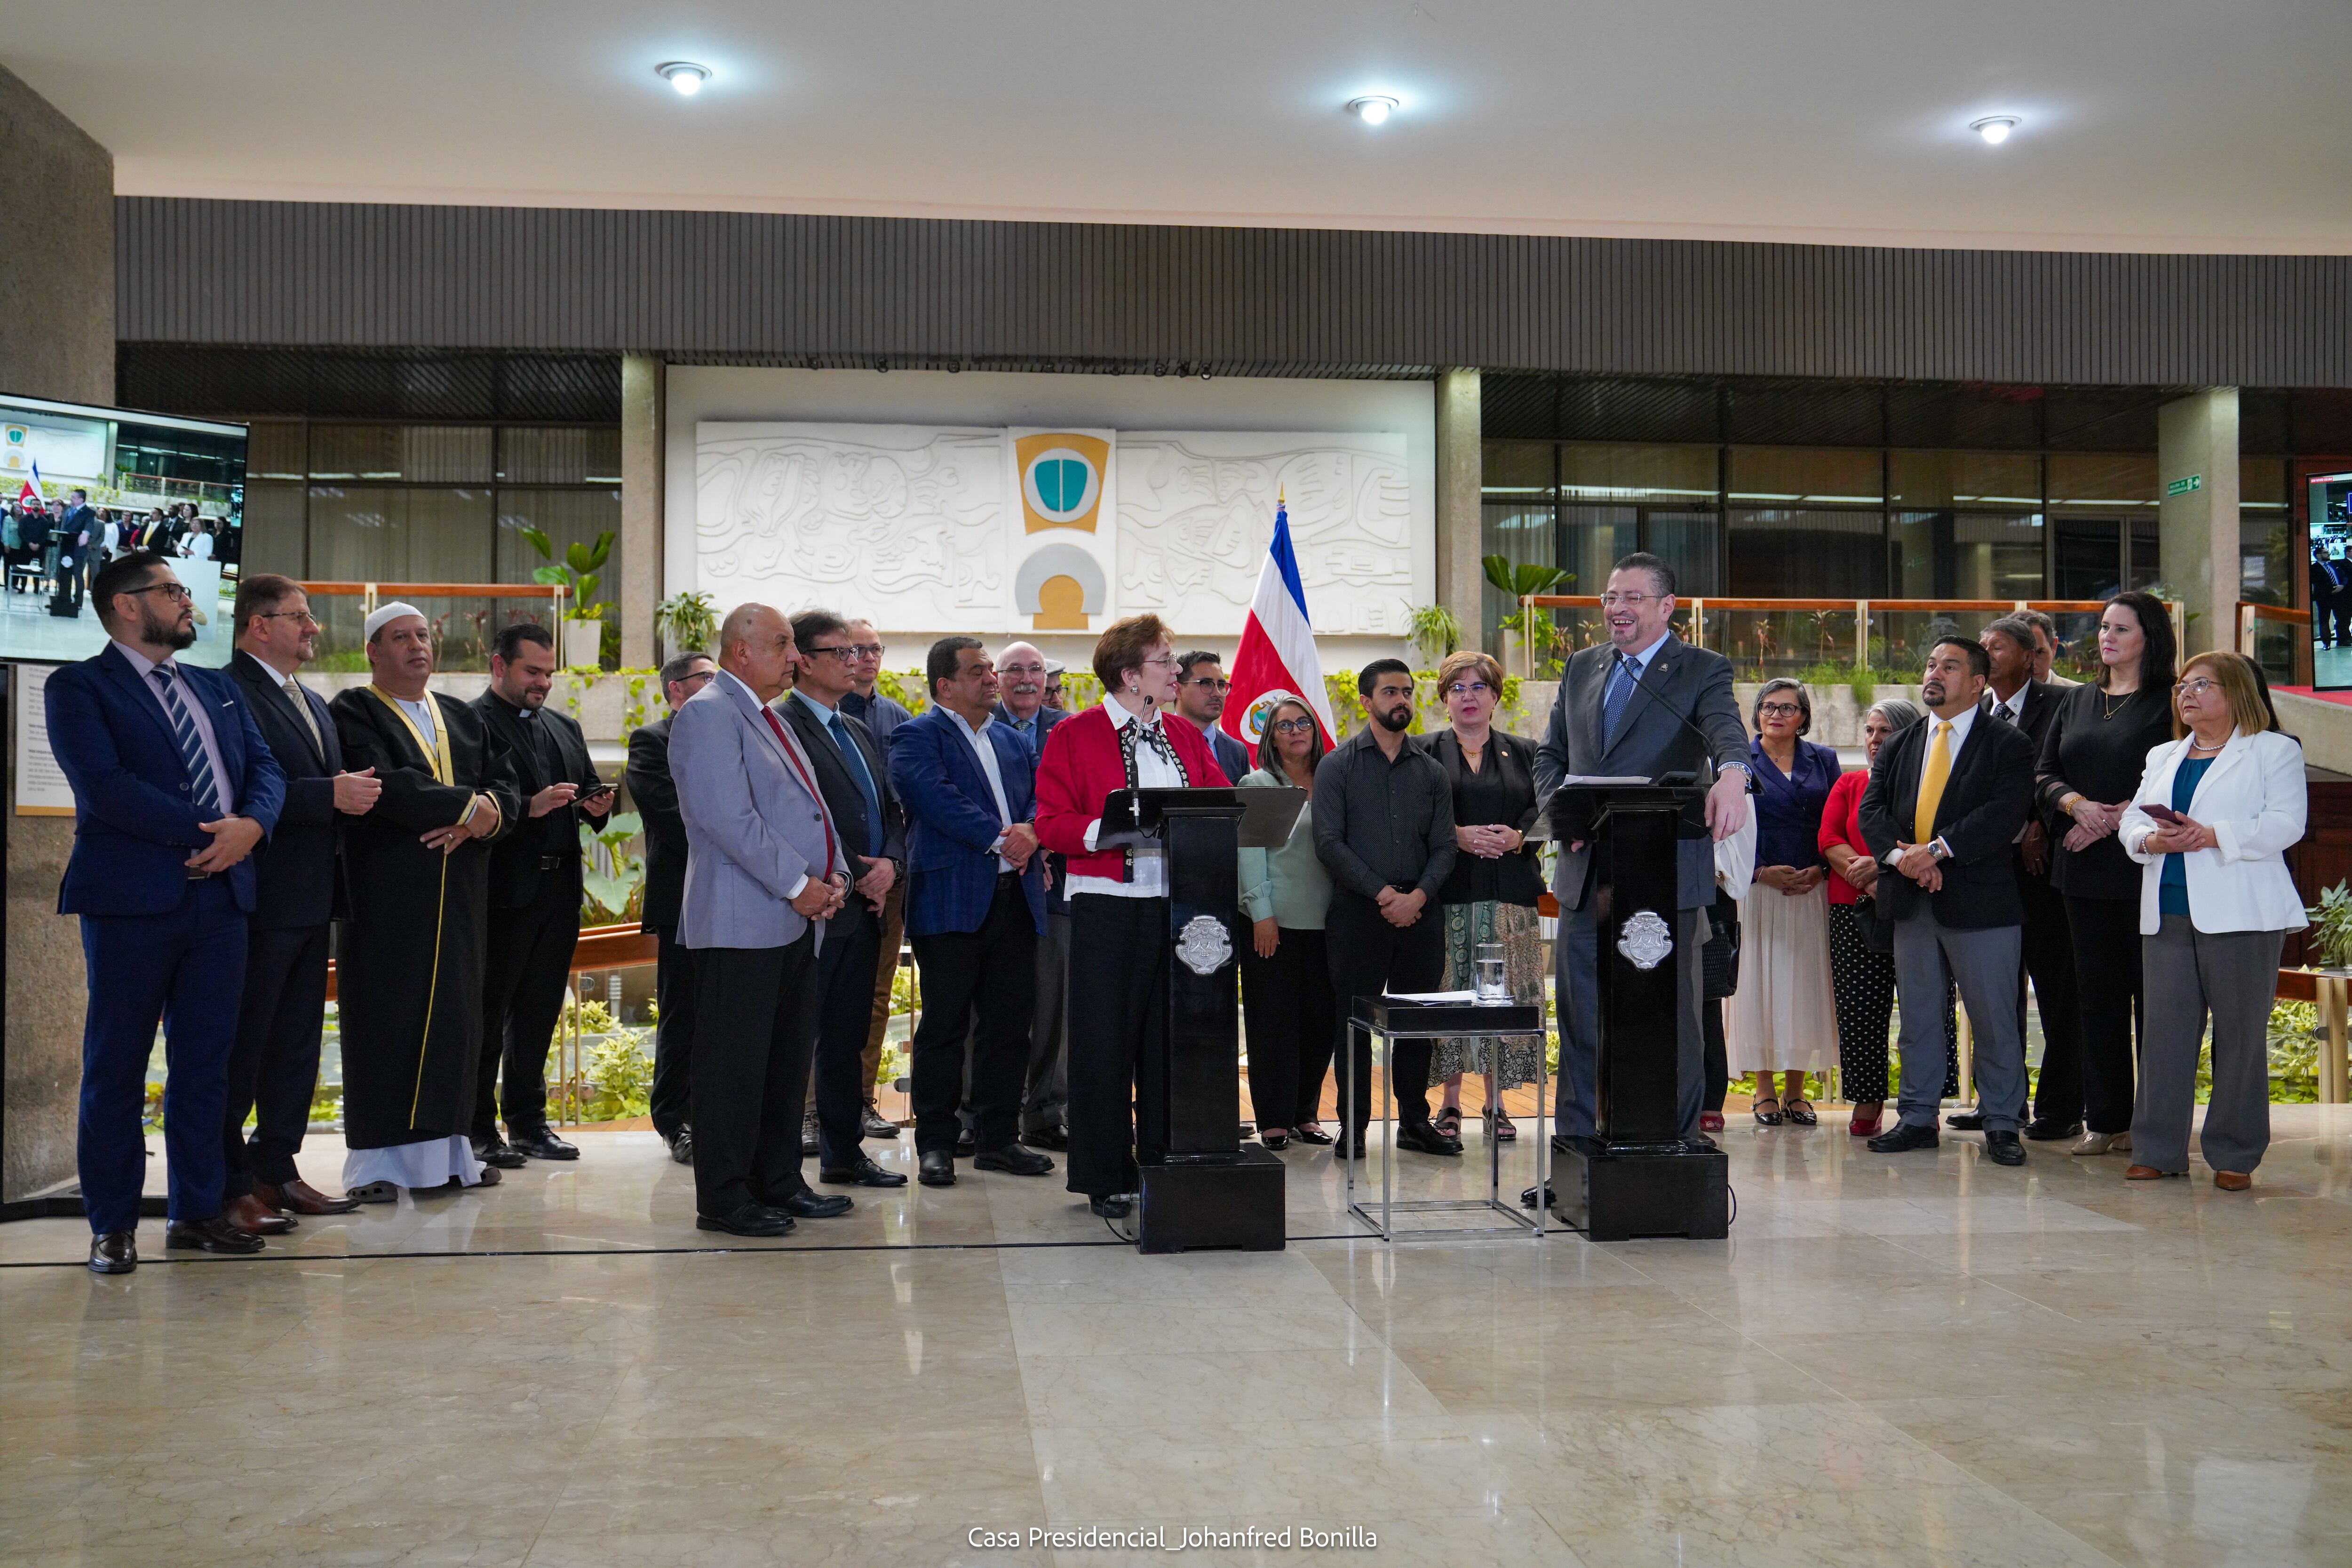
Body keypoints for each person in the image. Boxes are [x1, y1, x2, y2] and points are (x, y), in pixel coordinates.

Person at [48, 552, 286, 1273]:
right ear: (127, 605)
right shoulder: (79, 686)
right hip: (130, 903)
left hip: (222, 903)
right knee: (116, 1069)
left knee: (207, 1068)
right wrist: (212, 831)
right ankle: (113, 1224)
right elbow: (105, 787)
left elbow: (266, 770)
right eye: (175, 591)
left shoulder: (217, 688)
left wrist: (253, 828)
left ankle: (197, 1210)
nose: (189, 602)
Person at [1533, 552, 1752, 1144]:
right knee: (1580, 1021)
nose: (1616, 610)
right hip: (1587, 874)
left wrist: (1732, 773)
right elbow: (1551, 756)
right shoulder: (1581, 666)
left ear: (1665, 607)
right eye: (1610, 598)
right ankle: (1576, 1145)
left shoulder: (1700, 669)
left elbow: (1726, 731)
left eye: (1631, 598)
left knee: (1672, 1021)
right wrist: (1563, 811)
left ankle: (1674, 1143)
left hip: (1663, 877)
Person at [1035, 614, 1231, 1213]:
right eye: (1164, 661)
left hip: (1178, 911)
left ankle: (1165, 1163)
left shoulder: (1184, 736)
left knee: (1168, 1044)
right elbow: (1048, 822)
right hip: (1106, 909)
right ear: (1128, 675)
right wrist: (1109, 829)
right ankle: (1104, 1174)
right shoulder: (1075, 734)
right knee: (1103, 1044)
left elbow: (1222, 799)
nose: (1176, 671)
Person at [670, 604, 855, 1235]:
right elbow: (727, 817)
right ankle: (723, 1198)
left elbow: (806, 813)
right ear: (742, 651)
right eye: (784, 645)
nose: (796, 657)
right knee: (733, 1067)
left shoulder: (764, 716)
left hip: (792, 917)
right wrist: (799, 883)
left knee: (781, 1065)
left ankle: (776, 1181)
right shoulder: (708, 714)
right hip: (739, 919)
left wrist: (833, 879)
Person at [329, 604, 521, 1202]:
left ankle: (450, 1157)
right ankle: (378, 1167)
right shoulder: (352, 710)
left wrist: (479, 820)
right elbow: (389, 785)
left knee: (457, 1025)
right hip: (388, 901)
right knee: (389, 1022)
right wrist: (470, 809)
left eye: (422, 636)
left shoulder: (464, 717)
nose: (416, 646)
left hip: (460, 899)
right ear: (373, 652)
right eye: (399, 638)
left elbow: (506, 786)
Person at [223, 575, 377, 1228]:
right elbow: (239, 788)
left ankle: (277, 1168)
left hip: (314, 901)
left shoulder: (313, 702)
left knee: (296, 1048)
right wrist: (327, 796)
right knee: (245, 1047)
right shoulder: (226, 691)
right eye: (299, 617)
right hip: (259, 901)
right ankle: (229, 1183)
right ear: (259, 625)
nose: (313, 628)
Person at [2121, 653, 2307, 1191]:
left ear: (2236, 691)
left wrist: (2210, 834)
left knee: (2239, 1037)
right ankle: (2157, 1149)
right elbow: (2133, 817)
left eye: (2202, 685)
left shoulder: (2273, 750)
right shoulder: (2162, 754)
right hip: (2168, 912)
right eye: (2183, 685)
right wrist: (2149, 839)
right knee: (2163, 1036)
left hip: (2243, 914)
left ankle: (2234, 1154)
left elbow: (2285, 824)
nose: (2187, 694)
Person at [1859, 638, 2038, 1165]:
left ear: (1978, 682)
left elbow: (2002, 815)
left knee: (1993, 1019)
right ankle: (1916, 1117)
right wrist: (1902, 858)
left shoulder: (2007, 743)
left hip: (1981, 904)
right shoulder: (1902, 742)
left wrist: (1933, 852)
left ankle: (2002, 1121)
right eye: (1930, 663)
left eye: (1949, 666)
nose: (1933, 673)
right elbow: (1872, 811)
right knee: (1916, 1017)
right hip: (1913, 902)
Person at [888, 638, 1059, 1189]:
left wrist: (1031, 830)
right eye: (979, 671)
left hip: (1016, 900)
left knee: (1009, 1027)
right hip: (952, 902)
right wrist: (1000, 839)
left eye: (991, 670)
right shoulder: (916, 735)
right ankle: (937, 1143)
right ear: (945, 685)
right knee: (943, 1028)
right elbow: (933, 798)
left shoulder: (1011, 741)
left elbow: (1040, 795)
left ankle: (998, 1140)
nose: (992, 679)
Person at [2034, 590, 2178, 1158]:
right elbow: (2044, 771)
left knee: (2153, 998)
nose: (2106, 637)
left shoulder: (2169, 701)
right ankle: (2106, 1120)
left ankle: (2153, 1125)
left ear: (2150, 637)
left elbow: (2177, 774)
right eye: (2102, 627)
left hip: (2147, 864)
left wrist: (2113, 817)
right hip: (2082, 868)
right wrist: (2078, 808)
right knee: (2096, 997)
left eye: (2121, 628)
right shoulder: (2076, 702)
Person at [467, 624, 610, 1165]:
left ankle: (528, 1124)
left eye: (549, 673)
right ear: (498, 666)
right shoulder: (469, 724)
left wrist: (597, 806)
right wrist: (530, 806)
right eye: (533, 672)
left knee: (538, 1014)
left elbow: (590, 791)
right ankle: (477, 1128)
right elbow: (470, 802)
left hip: (559, 890)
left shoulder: (564, 726)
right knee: (487, 1015)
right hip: (502, 890)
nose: (543, 683)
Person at [783, 609, 909, 1190]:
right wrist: (839, 873)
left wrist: (889, 863)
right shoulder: (781, 726)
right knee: (795, 1041)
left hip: (863, 908)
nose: (855, 661)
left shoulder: (853, 728)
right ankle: (783, 1169)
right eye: (841, 653)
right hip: (812, 906)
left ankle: (843, 1154)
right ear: (803, 662)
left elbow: (887, 809)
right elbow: (789, 816)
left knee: (845, 1037)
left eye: (858, 653)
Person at [1313, 659, 1458, 1158]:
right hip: (1358, 913)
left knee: (1416, 1022)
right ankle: (1351, 1127)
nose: (1401, 701)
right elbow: (1329, 843)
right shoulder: (1337, 766)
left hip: (1420, 913)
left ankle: (1414, 1122)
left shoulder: (1432, 771)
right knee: (1351, 1022)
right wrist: (1383, 895)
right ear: (1366, 701)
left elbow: (1444, 846)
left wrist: (1416, 897)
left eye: (1406, 692)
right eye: (1390, 692)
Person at [1955, 616, 2084, 1142]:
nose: (1986, 651)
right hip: (1986, 873)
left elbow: (2065, 774)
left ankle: (2060, 1107)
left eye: (1997, 646)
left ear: (2032, 655)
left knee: (2056, 991)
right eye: (1981, 645)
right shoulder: (1970, 712)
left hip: (2043, 874)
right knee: (1992, 996)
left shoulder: (2061, 705)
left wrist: (2040, 823)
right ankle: (1999, 1104)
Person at [1820, 699, 1959, 1137]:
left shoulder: (1931, 782)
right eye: (1870, 731)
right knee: (1860, 1009)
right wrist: (1870, 880)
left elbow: (1926, 842)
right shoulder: (1849, 782)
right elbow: (1829, 837)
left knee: (1928, 1007)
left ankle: (1926, 1100)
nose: (1875, 740)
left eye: (1886, 732)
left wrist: (1885, 872)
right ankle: (1867, 1099)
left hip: (1919, 906)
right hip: (1853, 909)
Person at [1423, 651, 1544, 1143]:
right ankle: (1449, 1105)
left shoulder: (1526, 751)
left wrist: (1518, 839)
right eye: (1457, 688)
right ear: (1444, 698)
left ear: (1495, 697)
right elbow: (1410, 814)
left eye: (1477, 688)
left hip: (1510, 895)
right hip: (1446, 892)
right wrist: (1455, 835)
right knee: (1450, 994)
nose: (1467, 697)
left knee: (1504, 997)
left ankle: (1497, 1105)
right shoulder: (1422, 751)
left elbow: (1546, 808)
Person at [1725, 678, 1840, 1128]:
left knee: (1803, 989)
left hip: (1811, 888)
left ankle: (1797, 1092)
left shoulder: (1825, 760)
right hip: (1758, 890)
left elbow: (1836, 820)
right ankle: (1764, 1091)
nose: (1776, 714)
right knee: (1759, 987)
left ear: (1804, 717)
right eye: (1768, 707)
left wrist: (1823, 867)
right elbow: (1727, 827)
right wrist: (1758, 872)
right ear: (1755, 715)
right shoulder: (1738, 762)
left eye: (1788, 708)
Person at [1237, 691, 1337, 1150]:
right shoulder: (1258, 782)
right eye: (1284, 725)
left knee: (1320, 1024)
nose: (1296, 732)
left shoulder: (1334, 780)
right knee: (1272, 1023)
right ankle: (1274, 1120)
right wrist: (1261, 913)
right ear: (1270, 738)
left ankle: (1305, 1114)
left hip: (1331, 925)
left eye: (1303, 723)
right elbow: (1249, 852)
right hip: (1272, 923)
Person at [628, 651, 715, 1164]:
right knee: (682, 1013)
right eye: (706, 678)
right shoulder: (651, 741)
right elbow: (668, 815)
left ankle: (716, 1115)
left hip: (736, 895)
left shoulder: (732, 734)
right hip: (684, 898)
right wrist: (735, 844)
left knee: (722, 1015)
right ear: (675, 690)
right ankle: (673, 1121)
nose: (714, 685)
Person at [993, 640, 1074, 1149]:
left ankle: (1046, 1114)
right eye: (1014, 670)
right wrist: (1017, 846)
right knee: (988, 1009)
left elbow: (1072, 795)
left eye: (1036, 671)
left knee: (1054, 1007)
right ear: (995, 677)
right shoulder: (977, 725)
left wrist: (1038, 836)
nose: (1026, 679)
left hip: (1058, 886)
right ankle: (976, 1115)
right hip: (992, 882)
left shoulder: (1068, 730)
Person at [839, 617, 915, 1141]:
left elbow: (900, 804)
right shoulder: (816, 713)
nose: (866, 658)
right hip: (831, 879)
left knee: (875, 996)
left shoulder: (897, 717)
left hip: (889, 877)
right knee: (823, 998)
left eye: (874, 649)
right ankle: (811, 1109)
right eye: (855, 649)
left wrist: (888, 865)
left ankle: (862, 1101)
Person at [1175, 649, 1254, 783]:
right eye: (1206, 684)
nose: (1217, 693)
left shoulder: (1236, 751)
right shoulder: (1157, 740)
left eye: (1221, 685)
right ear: (1178, 690)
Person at [2311, 547, 2341, 649]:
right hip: (2324, 598)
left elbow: (2342, 576)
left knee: (2341, 618)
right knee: (2324, 620)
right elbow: (2316, 584)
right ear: (2319, 555)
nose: (2328, 554)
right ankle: (2326, 642)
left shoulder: (2332, 565)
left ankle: (2343, 638)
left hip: (2338, 596)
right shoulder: (2314, 569)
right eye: (2325, 552)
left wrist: (2342, 586)